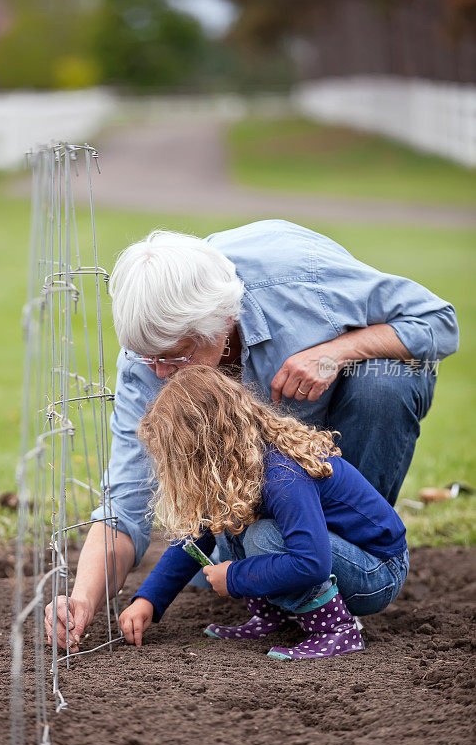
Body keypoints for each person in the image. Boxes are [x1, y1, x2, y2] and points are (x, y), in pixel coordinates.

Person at [45, 219, 457, 653]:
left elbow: (440, 323)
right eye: (147, 360)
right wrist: (86, 600)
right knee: (242, 524)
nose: (159, 375)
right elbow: (129, 506)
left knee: (383, 382)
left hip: (356, 555)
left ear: (223, 325)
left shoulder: (302, 281)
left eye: (173, 357)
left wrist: (337, 351)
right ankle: (275, 583)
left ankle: (335, 606)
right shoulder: (150, 354)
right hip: (285, 510)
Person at [118, 366, 409, 661]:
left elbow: (312, 564)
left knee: (263, 536)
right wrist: (148, 600)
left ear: (205, 449)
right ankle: (272, 619)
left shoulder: (283, 475)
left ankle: (336, 630)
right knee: (230, 515)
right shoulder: (243, 465)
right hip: (344, 560)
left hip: (380, 572)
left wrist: (233, 576)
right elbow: (198, 534)